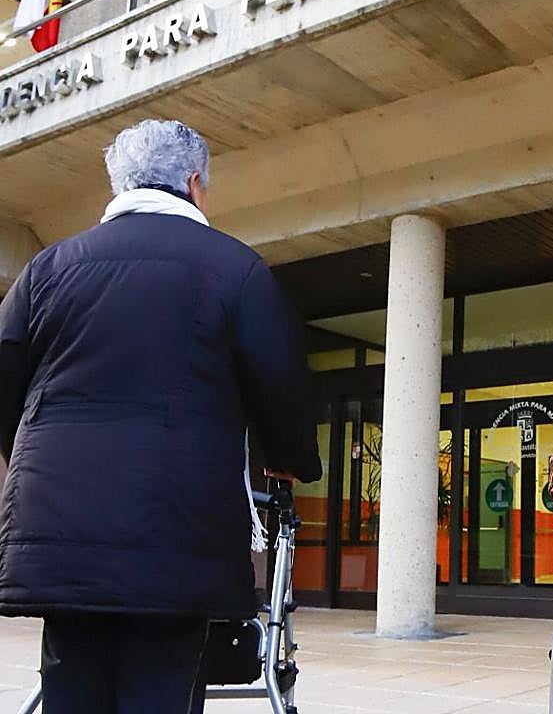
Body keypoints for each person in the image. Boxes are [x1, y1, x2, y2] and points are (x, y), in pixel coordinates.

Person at [0, 119, 323, 713]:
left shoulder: (46, 271)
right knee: (162, 686)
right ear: (195, 183)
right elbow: (280, 385)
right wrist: (293, 461)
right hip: (175, 527)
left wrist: (31, 466)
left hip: (62, 529)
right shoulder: (235, 270)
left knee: (71, 683)